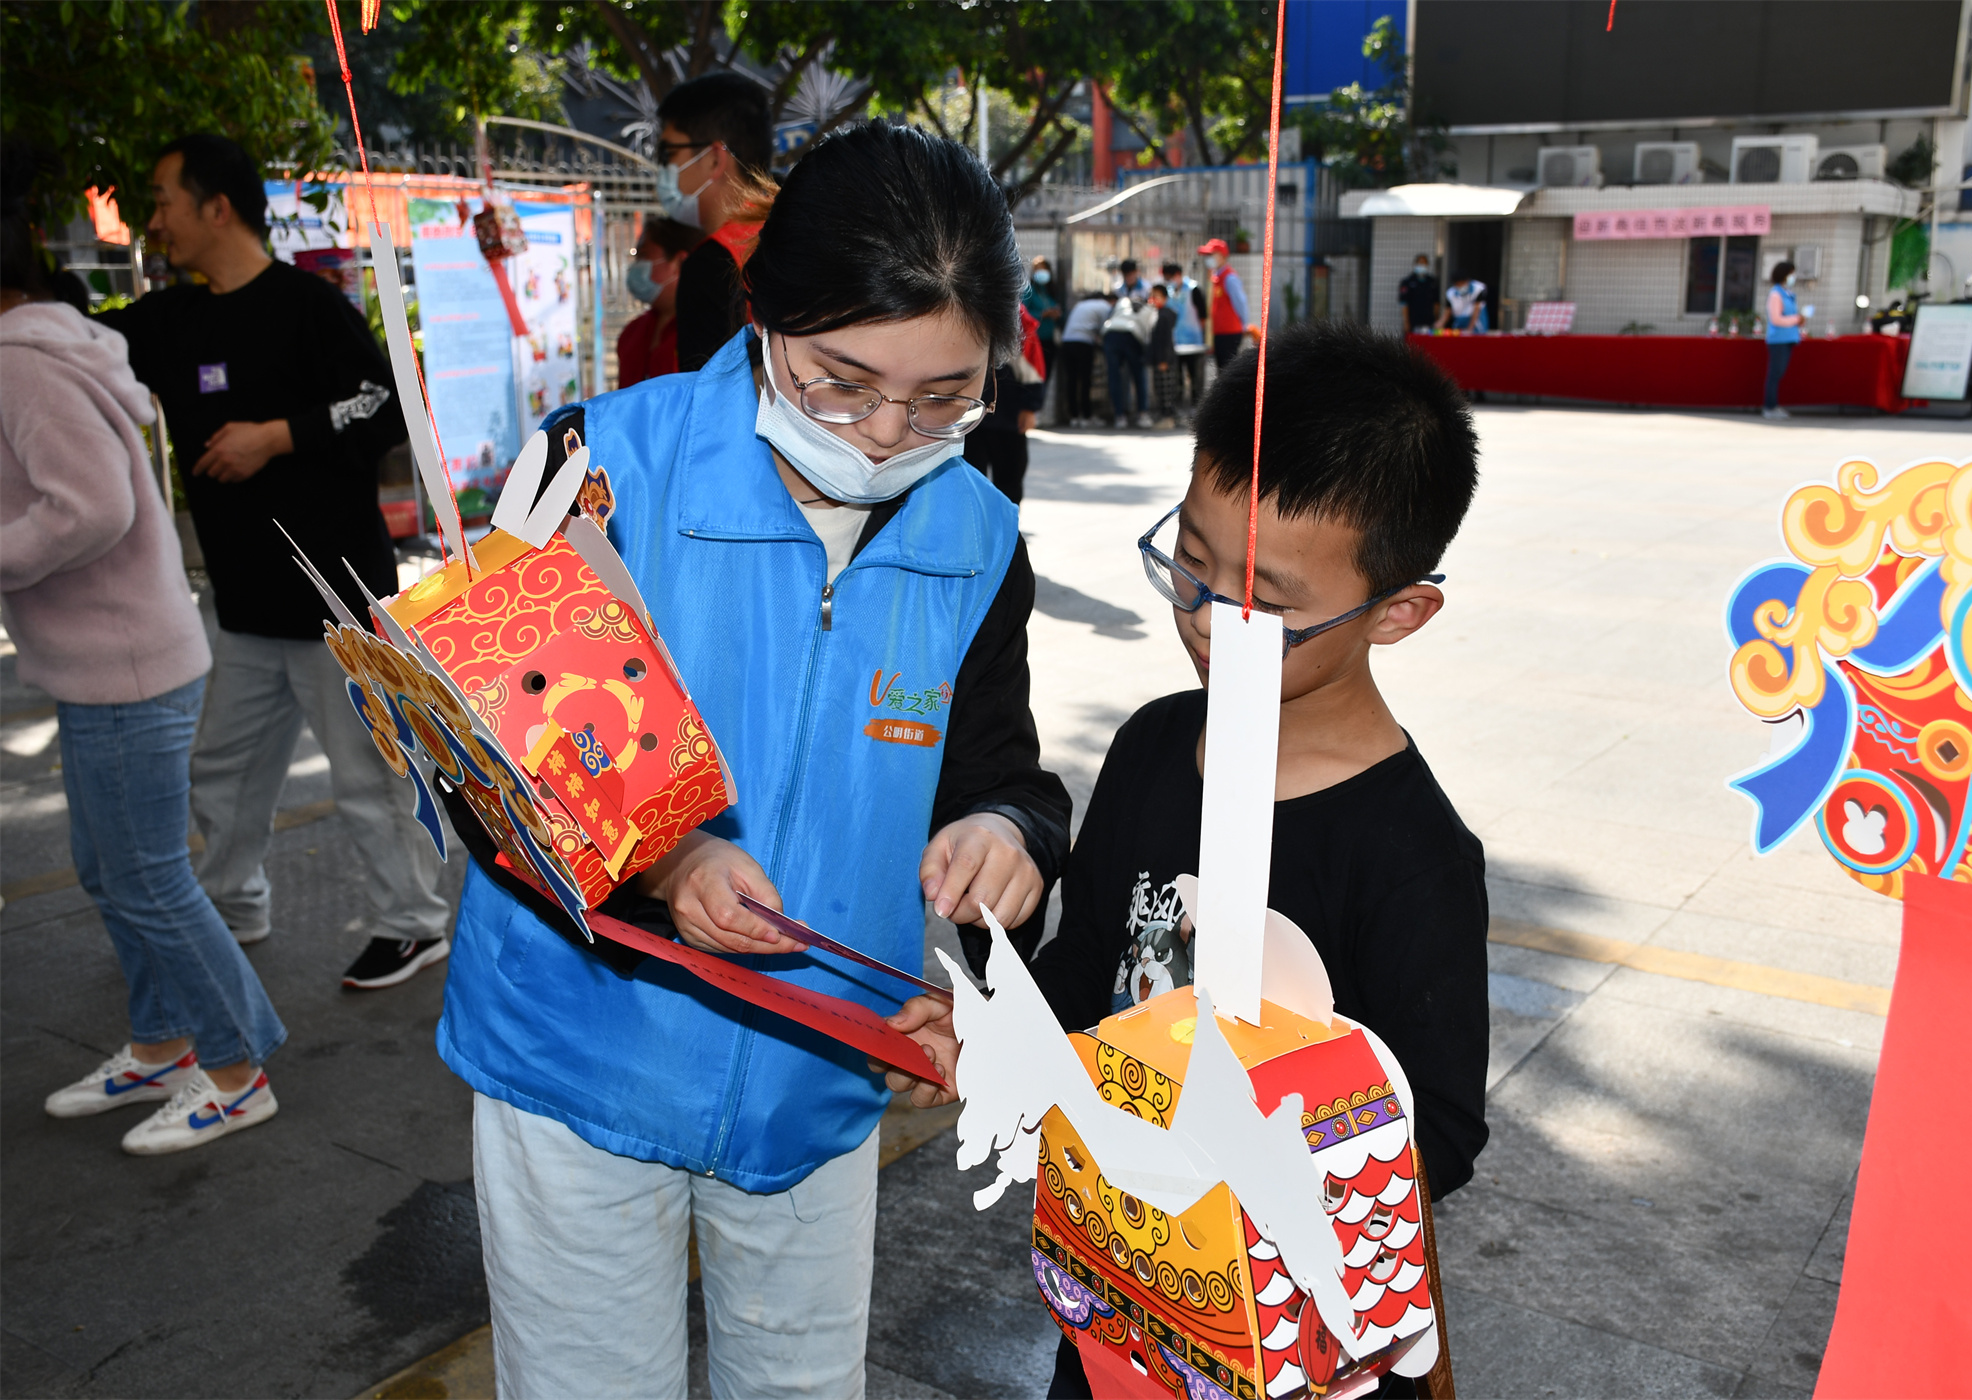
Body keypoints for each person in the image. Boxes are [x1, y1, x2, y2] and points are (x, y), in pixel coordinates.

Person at [437, 122, 1071, 1399]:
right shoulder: (595, 466)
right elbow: (481, 769)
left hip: (819, 1076)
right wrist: (668, 859)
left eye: (945, 393)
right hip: (580, 1060)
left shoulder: (977, 531)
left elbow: (1001, 765)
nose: (891, 430)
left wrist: (1010, 837)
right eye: (842, 380)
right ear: (765, 313)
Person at [1008, 321, 1489, 1395]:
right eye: (1189, 561)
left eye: (1268, 603)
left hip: (1290, 1331)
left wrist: (1271, 1153)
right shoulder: (1146, 750)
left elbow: (1441, 1127)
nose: (1211, 619)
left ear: (1398, 612)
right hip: (1125, 1296)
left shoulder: (1410, 854)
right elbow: (1090, 960)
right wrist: (1008, 1036)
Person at [95, 134, 451, 991]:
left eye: (164, 201)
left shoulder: (307, 306)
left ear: (217, 206)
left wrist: (279, 436)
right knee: (222, 768)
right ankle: (228, 905)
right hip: (244, 601)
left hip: (338, 599)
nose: (154, 222)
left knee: (368, 774)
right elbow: (77, 343)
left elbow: (385, 401)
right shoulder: (172, 319)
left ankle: (412, 924)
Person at [2, 188, 286, 1155]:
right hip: (111, 659)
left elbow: (87, 507)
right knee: (112, 870)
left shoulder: (20, 368)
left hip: (123, 662)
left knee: (149, 876)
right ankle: (165, 1044)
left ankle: (237, 1067)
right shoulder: (47, 350)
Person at [656, 72, 778, 372]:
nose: (666, 169)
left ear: (714, 159)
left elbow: (707, 405)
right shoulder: (797, 226)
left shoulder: (712, 265)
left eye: (669, 153)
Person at [963, 304, 1046, 504]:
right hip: (967, 413)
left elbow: (1031, 362)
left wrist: (1029, 407)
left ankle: (1007, 530)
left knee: (1009, 480)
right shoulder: (960, 300)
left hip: (1007, 411)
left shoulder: (1013, 311)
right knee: (967, 479)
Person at [616, 216, 702, 387]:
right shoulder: (632, 333)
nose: (636, 266)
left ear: (680, 263)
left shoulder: (704, 331)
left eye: (644, 256)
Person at [1100, 280, 1151, 428]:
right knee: (1139, 376)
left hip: (1110, 335)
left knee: (1114, 376)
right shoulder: (1147, 309)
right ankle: (1142, 414)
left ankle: (1119, 416)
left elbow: (1108, 318)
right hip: (1131, 337)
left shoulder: (1120, 303)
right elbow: (1148, 333)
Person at [1762, 259, 1808, 420]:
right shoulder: (1775, 294)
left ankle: (1774, 405)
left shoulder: (1787, 293)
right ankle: (1769, 406)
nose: (1793, 276)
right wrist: (1796, 319)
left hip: (1789, 338)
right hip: (1778, 340)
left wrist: (1800, 319)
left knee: (1779, 373)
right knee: (1775, 374)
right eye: (1792, 273)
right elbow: (1776, 319)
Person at [1199, 237, 1253, 371]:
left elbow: (1241, 303)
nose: (1208, 258)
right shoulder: (1216, 277)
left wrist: (1244, 325)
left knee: (1227, 371)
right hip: (1220, 332)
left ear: (1222, 256)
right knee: (1221, 369)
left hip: (1229, 333)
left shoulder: (1229, 278)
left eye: (1211, 255)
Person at [1059, 288, 1111, 426]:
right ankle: (1087, 416)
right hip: (1083, 343)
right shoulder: (1104, 306)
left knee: (1072, 380)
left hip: (1067, 341)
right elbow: (1105, 329)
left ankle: (1074, 416)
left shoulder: (1080, 305)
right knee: (1085, 380)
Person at [1158, 261, 1207, 406]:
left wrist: (1201, 334)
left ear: (1177, 275)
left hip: (1193, 342)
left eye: (1169, 277)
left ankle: (1196, 405)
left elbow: (1203, 315)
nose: (1168, 281)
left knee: (1195, 376)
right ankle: (1178, 406)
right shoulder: (1169, 292)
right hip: (1176, 342)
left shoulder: (1193, 289)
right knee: (1177, 377)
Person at [1146, 283, 1181, 428]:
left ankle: (1168, 418)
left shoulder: (1165, 315)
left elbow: (1165, 340)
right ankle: (1166, 416)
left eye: (1156, 296)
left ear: (1164, 297)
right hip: (1159, 359)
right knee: (1160, 389)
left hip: (1164, 360)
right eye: (1152, 296)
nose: (1153, 299)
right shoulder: (1157, 314)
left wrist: (1164, 360)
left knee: (1166, 390)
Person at [1022, 255, 1062, 366]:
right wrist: (1043, 314)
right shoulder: (1029, 291)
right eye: (1037, 269)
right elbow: (1023, 313)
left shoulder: (1051, 292)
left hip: (1050, 340)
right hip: (1035, 341)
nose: (1040, 272)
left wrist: (1057, 315)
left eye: (1042, 268)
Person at [1400, 254, 1439, 333]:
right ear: (1415, 264)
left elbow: (1436, 303)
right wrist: (1406, 321)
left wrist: (1436, 319)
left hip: (1429, 320)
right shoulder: (1408, 282)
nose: (1422, 266)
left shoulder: (1432, 282)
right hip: (1413, 320)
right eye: (1420, 263)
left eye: (1424, 263)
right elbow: (1404, 303)